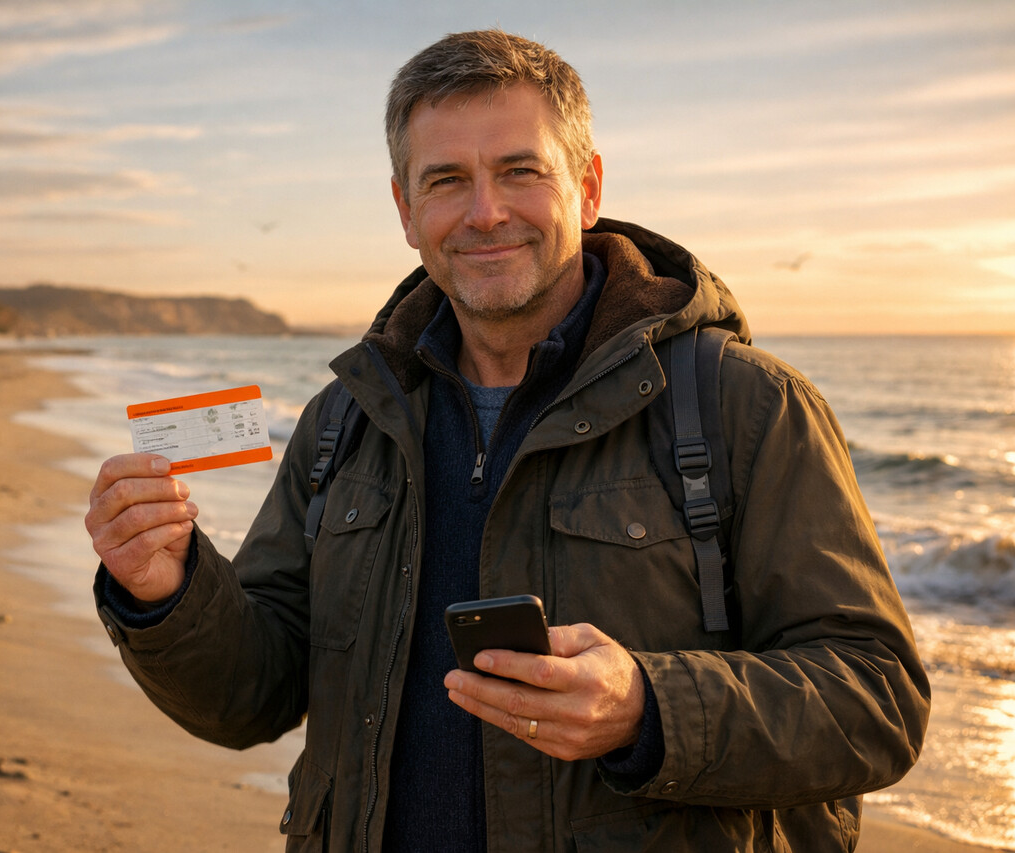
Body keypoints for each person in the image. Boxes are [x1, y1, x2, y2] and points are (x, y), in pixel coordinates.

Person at [84, 29, 929, 852]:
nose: (485, 213)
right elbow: (254, 693)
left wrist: (650, 706)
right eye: (446, 180)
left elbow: (876, 697)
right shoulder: (346, 420)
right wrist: (167, 592)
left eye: (520, 171)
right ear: (405, 210)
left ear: (588, 186)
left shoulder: (747, 405)